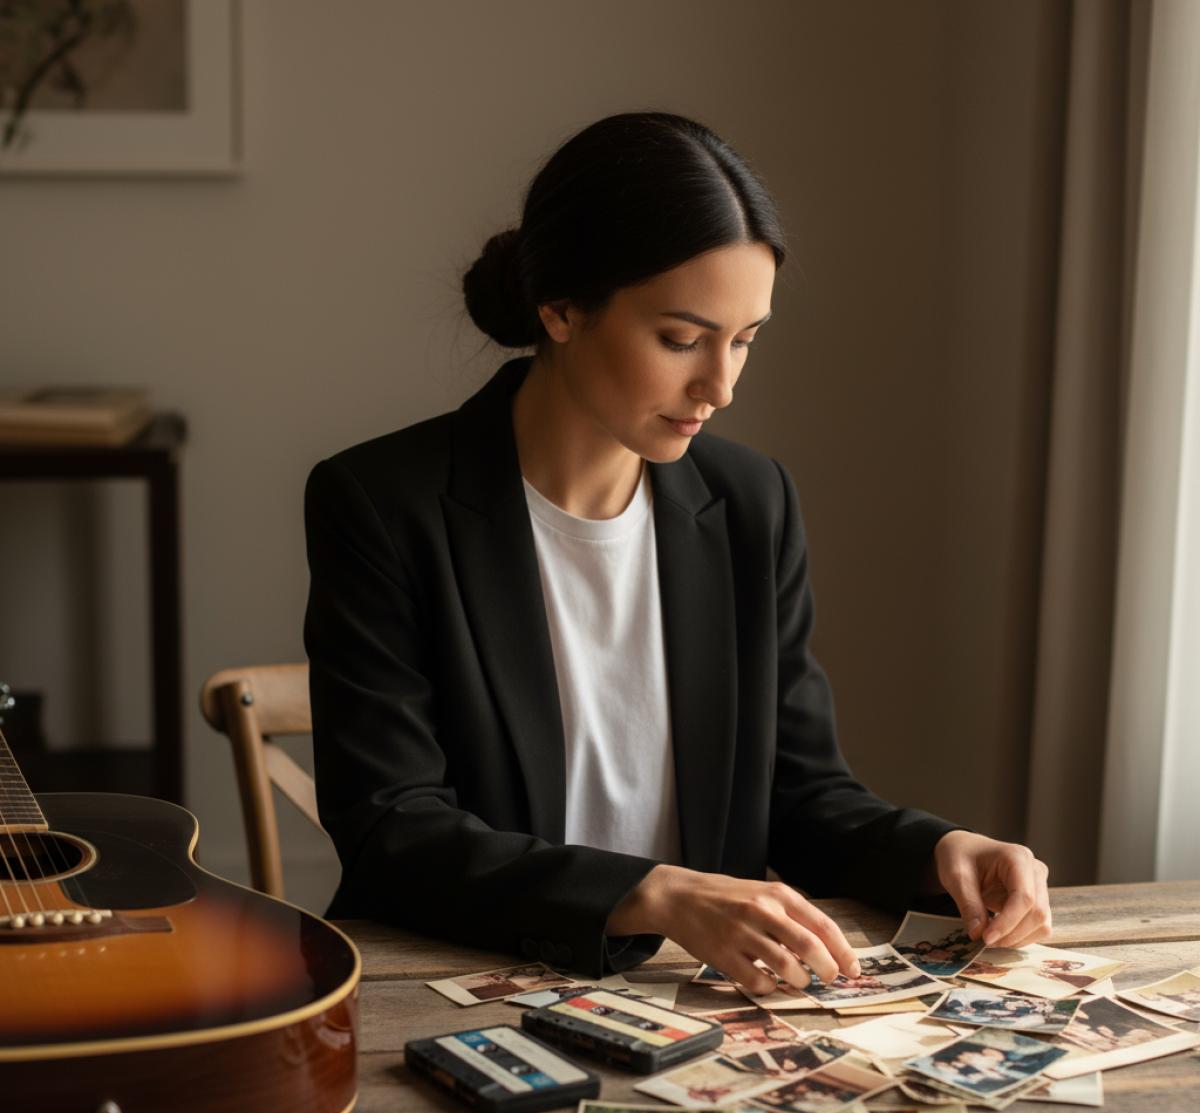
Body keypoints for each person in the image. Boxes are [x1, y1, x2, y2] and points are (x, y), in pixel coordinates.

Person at [303, 110, 1052, 993]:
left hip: (692, 1006)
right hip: (456, 987)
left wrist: (941, 849)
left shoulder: (748, 502)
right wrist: (651, 893)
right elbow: (394, 832)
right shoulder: (383, 503)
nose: (721, 386)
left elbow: (802, 795)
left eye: (745, 341)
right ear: (562, 308)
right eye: (682, 339)